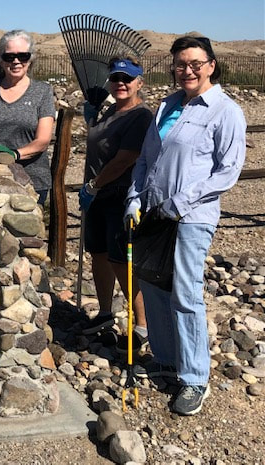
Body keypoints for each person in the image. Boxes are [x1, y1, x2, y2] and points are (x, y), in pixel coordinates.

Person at [125, 36, 246, 415]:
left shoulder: (225, 111)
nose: (187, 70)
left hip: (190, 219)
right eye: (180, 64)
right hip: (153, 215)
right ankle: (165, 358)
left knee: (185, 294)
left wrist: (178, 203)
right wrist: (134, 198)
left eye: (195, 63)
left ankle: (195, 378)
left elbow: (227, 172)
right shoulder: (167, 106)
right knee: (154, 284)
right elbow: (146, 160)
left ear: (211, 65)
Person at [78, 57, 153, 355]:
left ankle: (143, 326)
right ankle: (105, 314)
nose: (121, 83)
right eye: (116, 78)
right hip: (97, 195)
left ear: (139, 83)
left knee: (122, 260)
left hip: (119, 197)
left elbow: (125, 158)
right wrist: (91, 119)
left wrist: (94, 186)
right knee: (99, 254)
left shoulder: (141, 116)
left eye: (128, 79)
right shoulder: (109, 110)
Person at [0, 29, 55, 205]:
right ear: (1, 60)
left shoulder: (42, 92)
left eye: (22, 56)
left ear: (30, 59)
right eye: (9, 57)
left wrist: (14, 155)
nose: (16, 61)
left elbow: (43, 141)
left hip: (32, 179)